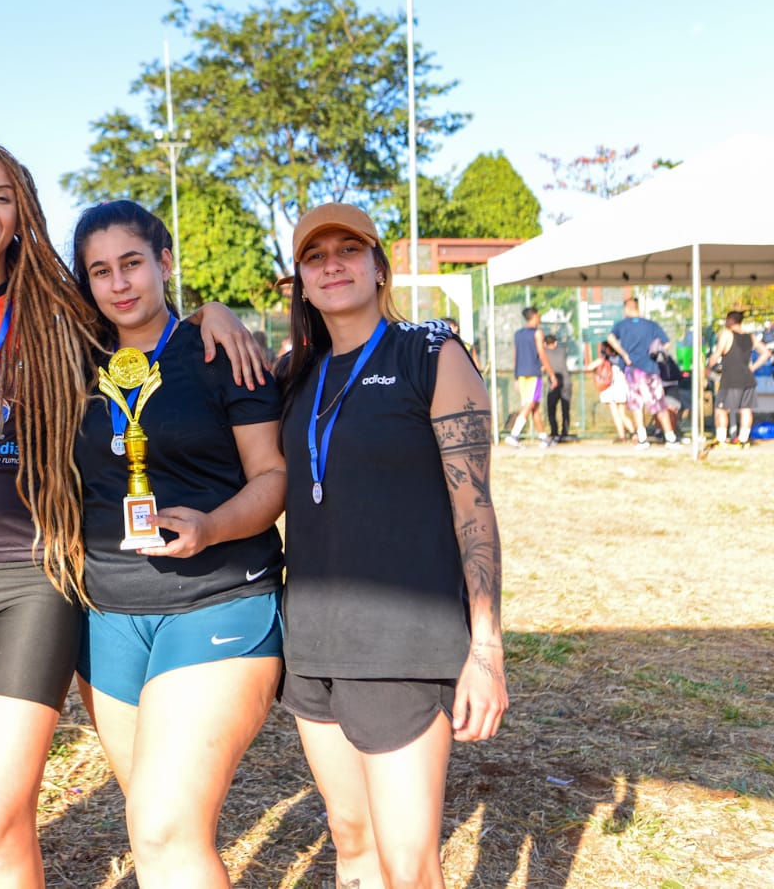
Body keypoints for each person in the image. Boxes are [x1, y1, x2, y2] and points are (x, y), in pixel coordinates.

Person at [0, 146, 267, 888]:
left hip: (38, 573)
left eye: (3, 195)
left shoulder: (61, 313)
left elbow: (146, 317)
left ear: (23, 214)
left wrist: (211, 313)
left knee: (3, 812)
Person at [277, 203, 507, 889]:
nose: (333, 265)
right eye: (315, 256)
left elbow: (475, 508)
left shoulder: (430, 355)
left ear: (380, 267)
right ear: (301, 280)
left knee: (408, 866)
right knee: (352, 841)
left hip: (402, 645)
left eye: (349, 249)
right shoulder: (292, 373)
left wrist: (487, 648)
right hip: (311, 642)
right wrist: (210, 315)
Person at [70, 201, 286, 887]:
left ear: (165, 262)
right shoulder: (75, 362)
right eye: (100, 271)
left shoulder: (221, 351)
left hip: (216, 599)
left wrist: (211, 526)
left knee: (165, 827)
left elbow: (273, 476)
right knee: (155, 829)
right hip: (108, 616)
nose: (118, 283)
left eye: (132, 263)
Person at [607, 297, 681, 448]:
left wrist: (624, 354)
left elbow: (610, 338)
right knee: (659, 404)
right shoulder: (651, 325)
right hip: (650, 369)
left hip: (632, 369)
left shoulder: (622, 325)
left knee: (636, 405)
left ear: (628, 308)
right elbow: (666, 343)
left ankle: (642, 439)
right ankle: (670, 438)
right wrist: (656, 353)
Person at [710, 310, 772, 446]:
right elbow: (766, 353)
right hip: (747, 378)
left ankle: (721, 439)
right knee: (746, 409)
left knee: (721, 409)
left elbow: (718, 352)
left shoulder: (727, 334)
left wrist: (708, 366)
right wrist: (753, 368)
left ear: (731, 320)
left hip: (731, 378)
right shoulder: (750, 337)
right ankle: (743, 440)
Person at [505, 307, 556, 447]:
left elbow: (515, 355)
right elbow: (541, 352)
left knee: (534, 406)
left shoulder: (518, 334)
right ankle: (514, 435)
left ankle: (543, 437)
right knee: (529, 404)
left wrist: (516, 376)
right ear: (533, 317)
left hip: (521, 373)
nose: (539, 319)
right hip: (533, 373)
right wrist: (551, 374)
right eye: (538, 316)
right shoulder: (537, 333)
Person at [584, 341, 632, 442]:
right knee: (622, 414)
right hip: (622, 388)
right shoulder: (622, 359)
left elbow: (589, 367)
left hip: (610, 389)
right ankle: (634, 433)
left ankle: (622, 435)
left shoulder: (603, 359)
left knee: (615, 414)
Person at [542, 333, 572, 442]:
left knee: (551, 409)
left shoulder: (544, 352)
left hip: (553, 384)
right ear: (555, 343)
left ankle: (554, 432)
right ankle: (564, 433)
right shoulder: (562, 350)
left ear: (545, 343)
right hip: (566, 381)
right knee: (565, 409)